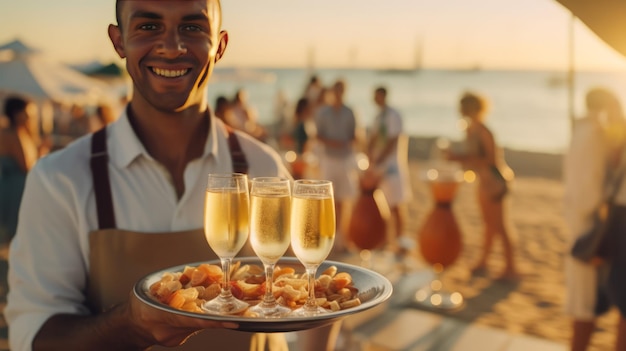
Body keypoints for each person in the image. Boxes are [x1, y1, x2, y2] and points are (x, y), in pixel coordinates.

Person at [4, 1, 334, 350]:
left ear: (219, 46)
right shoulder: (60, 179)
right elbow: (33, 335)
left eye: (192, 27)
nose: (172, 47)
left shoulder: (264, 170)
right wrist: (129, 325)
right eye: (148, 26)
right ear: (118, 41)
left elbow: (311, 300)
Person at [563, 87, 626, 351]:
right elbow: (592, 189)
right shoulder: (595, 135)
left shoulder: (581, 132)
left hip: (585, 221)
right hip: (595, 225)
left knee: (589, 303)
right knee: (587, 304)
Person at [447, 91, 518, 280]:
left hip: (494, 183)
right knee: (489, 225)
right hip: (484, 183)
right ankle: (484, 262)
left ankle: (511, 268)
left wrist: (459, 157)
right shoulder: (472, 129)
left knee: (500, 226)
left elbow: (490, 160)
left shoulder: (484, 131)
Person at [314, 79, 359, 255]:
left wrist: (345, 144)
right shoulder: (323, 113)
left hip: (345, 159)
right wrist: (335, 143)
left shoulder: (350, 112)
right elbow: (319, 135)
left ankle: (342, 239)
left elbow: (354, 136)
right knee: (329, 201)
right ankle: (328, 239)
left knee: (344, 201)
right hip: (329, 160)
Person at [365, 86, 412, 254]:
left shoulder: (393, 115)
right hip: (380, 165)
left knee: (397, 204)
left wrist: (379, 158)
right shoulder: (378, 116)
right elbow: (374, 138)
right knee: (383, 203)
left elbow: (393, 139)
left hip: (391, 165)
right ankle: (386, 239)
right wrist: (370, 154)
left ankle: (400, 240)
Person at [0, 96, 42, 243]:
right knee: (16, 230)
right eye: (27, 113)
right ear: (17, 113)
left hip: (9, 185)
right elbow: (26, 165)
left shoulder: (10, 132)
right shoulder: (15, 134)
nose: (30, 117)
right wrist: (43, 152)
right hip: (17, 188)